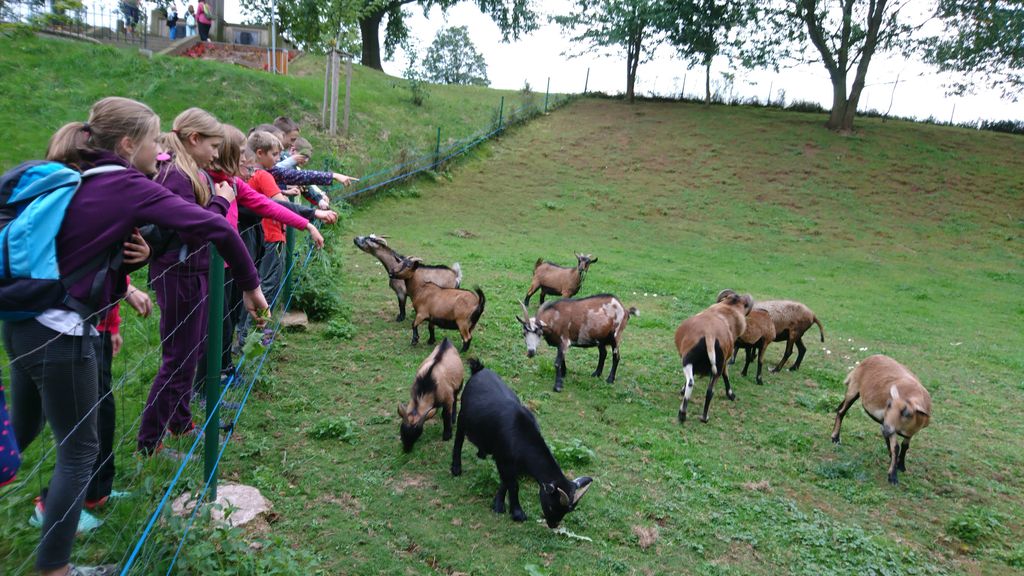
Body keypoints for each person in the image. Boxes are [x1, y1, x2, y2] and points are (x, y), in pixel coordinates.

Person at [6, 96, 266, 576]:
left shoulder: (78, 175)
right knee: (79, 452)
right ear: (127, 144)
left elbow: (79, 252)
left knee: (22, 430)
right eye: (152, 142)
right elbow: (215, 227)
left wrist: (131, 270)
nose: (159, 151)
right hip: (62, 333)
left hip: (24, 322)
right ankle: (55, 569)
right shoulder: (125, 184)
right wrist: (252, 286)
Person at [136, 107, 240, 455]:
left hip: (191, 272)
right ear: (194, 139)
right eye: (213, 145)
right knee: (178, 359)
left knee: (190, 353)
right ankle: (149, 442)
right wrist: (221, 203)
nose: (215, 153)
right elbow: (194, 231)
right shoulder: (176, 177)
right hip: (179, 275)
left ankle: (180, 423)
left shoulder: (185, 172)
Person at [202, 126, 336, 382]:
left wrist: (308, 220)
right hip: (231, 259)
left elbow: (268, 204)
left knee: (230, 316)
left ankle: (227, 365)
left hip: (241, 257)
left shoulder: (233, 183)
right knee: (248, 301)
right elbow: (271, 203)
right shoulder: (216, 184)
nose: (247, 158)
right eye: (242, 153)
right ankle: (239, 350)